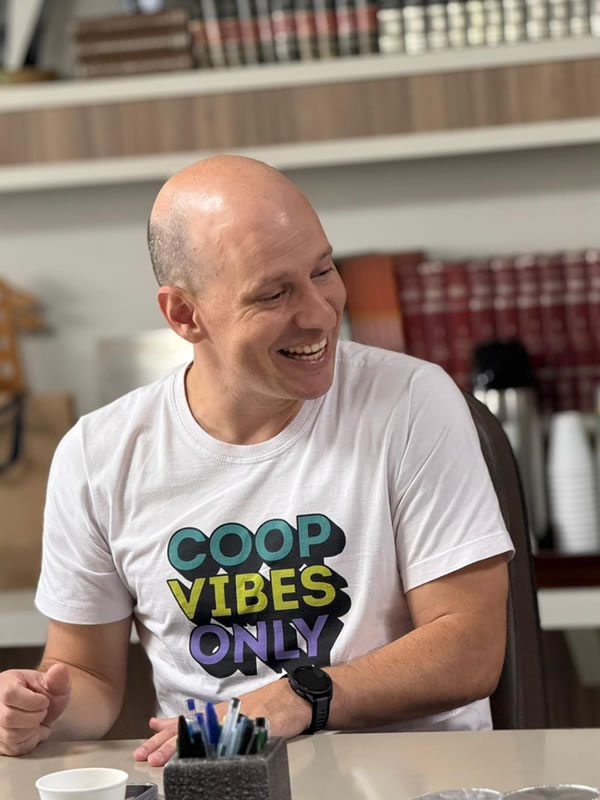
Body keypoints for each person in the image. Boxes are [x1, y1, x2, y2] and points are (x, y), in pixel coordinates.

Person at [0, 155, 512, 766]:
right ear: (184, 315)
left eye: (323, 270)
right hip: (217, 777)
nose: (321, 313)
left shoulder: (411, 401)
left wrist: (299, 699)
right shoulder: (98, 454)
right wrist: (40, 709)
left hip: (415, 777)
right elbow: (88, 675)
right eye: (274, 293)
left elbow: (470, 648)